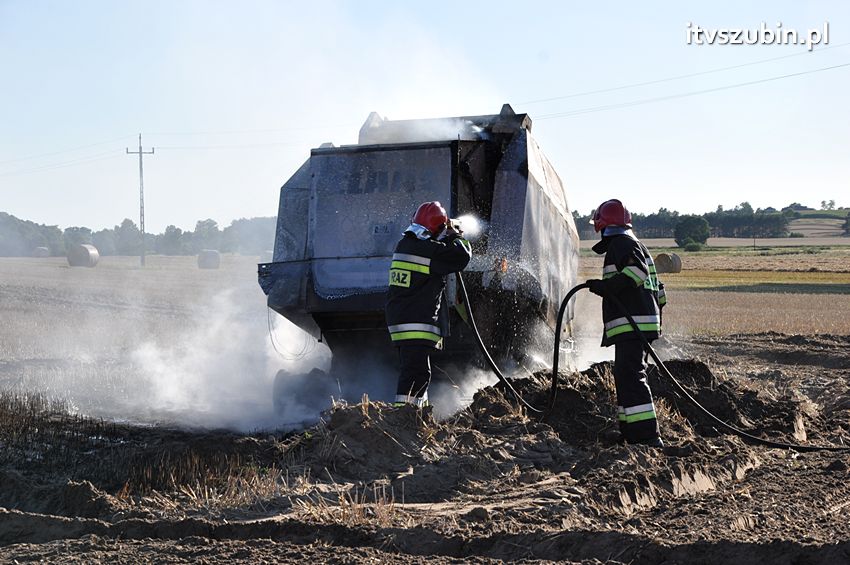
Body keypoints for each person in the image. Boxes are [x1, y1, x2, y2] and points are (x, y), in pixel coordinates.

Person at [585, 199, 667, 447]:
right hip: (641, 325)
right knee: (626, 375)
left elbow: (637, 273)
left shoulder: (622, 244)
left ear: (602, 224)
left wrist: (607, 287)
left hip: (633, 326)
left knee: (631, 376)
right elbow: (659, 292)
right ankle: (631, 433)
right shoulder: (635, 244)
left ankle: (648, 437)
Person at [385, 201, 472, 407]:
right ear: (437, 228)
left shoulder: (406, 245)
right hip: (415, 322)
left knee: (416, 371)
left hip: (403, 320)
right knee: (416, 373)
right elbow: (461, 257)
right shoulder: (426, 250)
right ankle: (404, 416)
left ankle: (415, 413)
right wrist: (455, 235)